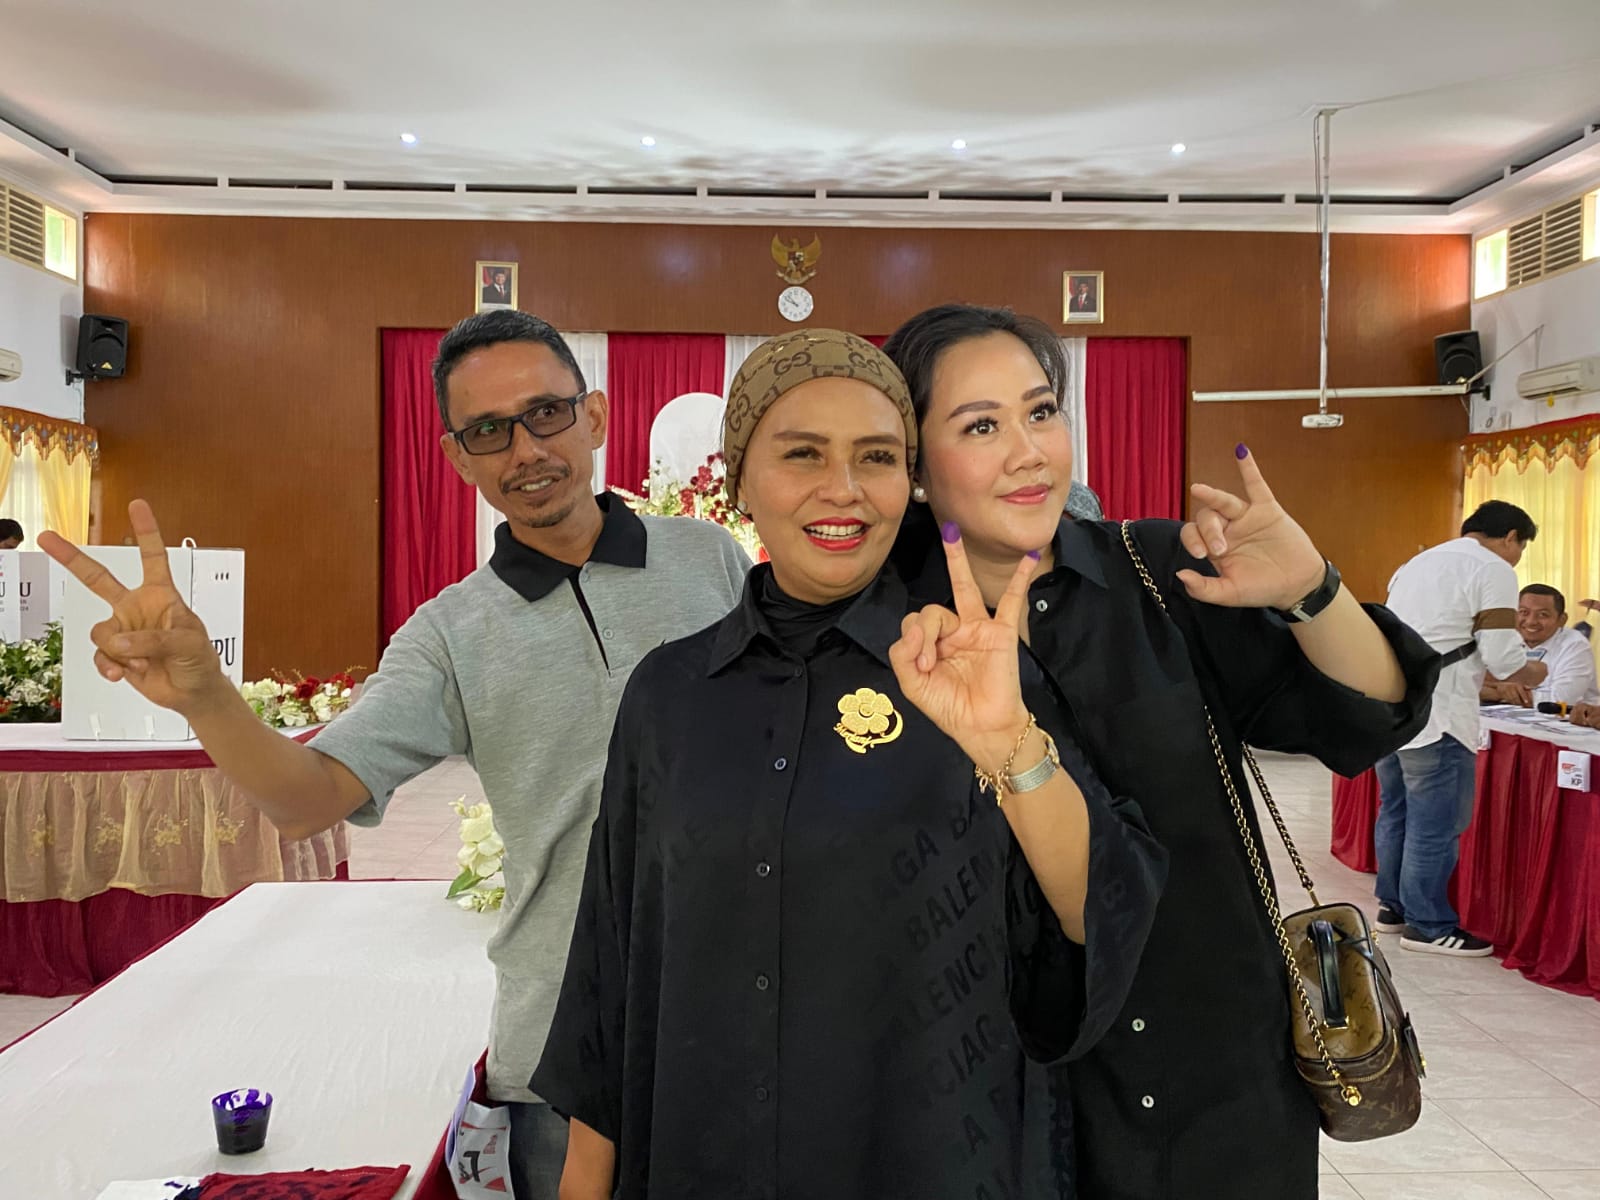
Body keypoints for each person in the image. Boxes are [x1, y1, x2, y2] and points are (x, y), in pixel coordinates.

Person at [39, 309, 751, 1200]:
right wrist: (205, 695)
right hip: (566, 1043)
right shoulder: (450, 633)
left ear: (596, 416)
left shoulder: (711, 562)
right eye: (488, 431)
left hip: (747, 1007)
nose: (526, 449)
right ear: (457, 458)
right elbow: (307, 802)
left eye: (546, 413)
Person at [533, 329, 1166, 1200]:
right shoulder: (669, 694)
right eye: (803, 454)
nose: (844, 489)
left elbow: (1105, 915)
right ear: (739, 477)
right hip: (702, 1157)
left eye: (876, 457)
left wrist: (1006, 745)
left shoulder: (969, 673)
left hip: (932, 1163)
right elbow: (612, 960)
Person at [882, 303, 1439, 1200]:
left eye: (1041, 412)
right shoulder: (887, 636)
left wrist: (1311, 589)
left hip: (1218, 1073)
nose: (1029, 452)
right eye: (980, 426)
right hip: (1010, 1089)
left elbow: (1366, 720)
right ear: (913, 464)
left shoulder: (1156, 572)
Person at [1377, 499, 1548, 958]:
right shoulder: (1492, 568)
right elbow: (1502, 656)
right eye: (1521, 547)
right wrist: (1534, 671)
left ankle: (1392, 909)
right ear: (1510, 537)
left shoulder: (1416, 563)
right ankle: (1428, 926)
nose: (1517, 558)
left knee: (1395, 810)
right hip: (1442, 714)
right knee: (1435, 824)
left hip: (1392, 708)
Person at [1481, 584, 1600, 708]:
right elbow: (1473, 683)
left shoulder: (1575, 644)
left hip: (1564, 718)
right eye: (1524, 612)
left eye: (1543, 615)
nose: (1531, 621)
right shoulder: (1504, 638)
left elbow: (1561, 700)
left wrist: (1498, 694)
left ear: (1562, 620)